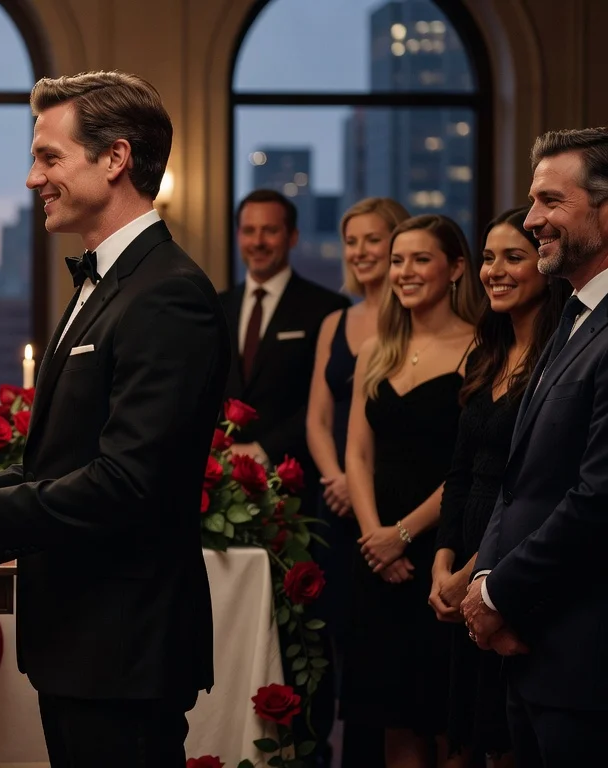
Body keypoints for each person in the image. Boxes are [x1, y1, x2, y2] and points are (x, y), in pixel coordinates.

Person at [0, 71, 230, 765]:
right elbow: (72, 457)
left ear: (115, 159)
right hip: (83, 640)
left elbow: (128, 482)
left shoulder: (167, 295)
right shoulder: (108, 283)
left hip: (123, 645)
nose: (31, 178)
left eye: (49, 158)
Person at [462, 128, 608, 764]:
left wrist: (497, 593)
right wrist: (488, 582)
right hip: (530, 646)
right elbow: (518, 477)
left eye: (552, 201)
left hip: (584, 655)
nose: (532, 220)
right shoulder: (574, 315)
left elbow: (598, 498)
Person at [343, 214, 485, 768]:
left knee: (448, 722)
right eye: (398, 259)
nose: (404, 271)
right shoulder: (376, 351)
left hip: (440, 552)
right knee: (393, 720)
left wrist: (403, 536)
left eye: (420, 259)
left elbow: (468, 466)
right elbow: (357, 453)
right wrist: (375, 537)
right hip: (375, 555)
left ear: (454, 269)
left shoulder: (480, 348)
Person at [431, 207, 566, 766]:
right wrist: (443, 561)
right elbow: (460, 471)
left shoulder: (557, 358)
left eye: (514, 256)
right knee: (463, 741)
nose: (495, 270)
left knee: (508, 743)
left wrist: (470, 576)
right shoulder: (486, 354)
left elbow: (537, 485)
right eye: (488, 258)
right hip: (462, 557)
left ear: (545, 264)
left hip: (509, 565)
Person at [305, 196, 409, 768]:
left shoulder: (417, 314)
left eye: (374, 239)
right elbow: (318, 419)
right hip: (337, 504)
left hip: (394, 503)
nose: (361, 251)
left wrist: (362, 483)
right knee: (336, 642)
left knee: (387, 651)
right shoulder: (335, 323)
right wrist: (336, 477)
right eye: (352, 241)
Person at [221, 189, 348, 478]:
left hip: (296, 476)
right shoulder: (216, 307)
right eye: (249, 231)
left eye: (270, 231)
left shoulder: (327, 309)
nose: (258, 242)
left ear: (292, 237)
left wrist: (265, 449)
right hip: (222, 478)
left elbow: (328, 402)